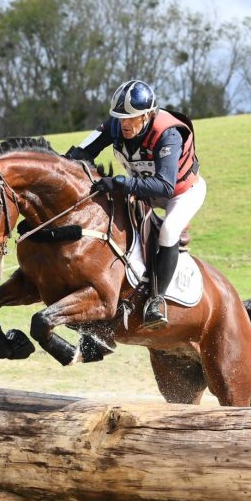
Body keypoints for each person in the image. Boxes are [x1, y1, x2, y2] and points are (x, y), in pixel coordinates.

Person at [65, 79, 205, 330]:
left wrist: (120, 183)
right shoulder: (115, 126)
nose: (125, 124)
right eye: (120, 117)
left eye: (132, 118)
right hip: (141, 189)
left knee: (169, 230)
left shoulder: (168, 134)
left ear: (149, 115)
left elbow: (165, 187)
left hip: (181, 192)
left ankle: (157, 299)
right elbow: (78, 155)